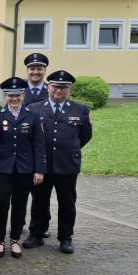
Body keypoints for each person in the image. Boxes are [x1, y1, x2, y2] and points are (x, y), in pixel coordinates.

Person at [24, 70, 92, 253]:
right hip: (42, 165)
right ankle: (36, 234)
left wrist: (68, 149)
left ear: (70, 90)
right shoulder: (34, 108)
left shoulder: (80, 110)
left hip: (67, 164)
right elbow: (29, 137)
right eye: (55, 86)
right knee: (39, 201)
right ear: (48, 87)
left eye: (63, 87)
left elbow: (85, 136)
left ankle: (66, 237)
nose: (58, 90)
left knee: (67, 202)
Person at [0, 77, 46, 259]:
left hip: (25, 168)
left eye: (18, 95)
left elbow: (39, 144)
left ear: (23, 95)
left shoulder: (33, 115)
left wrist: (39, 169)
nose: (14, 98)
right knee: (1, 203)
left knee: (20, 205)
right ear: (5, 96)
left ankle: (14, 240)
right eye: (10, 95)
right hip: (1, 168)